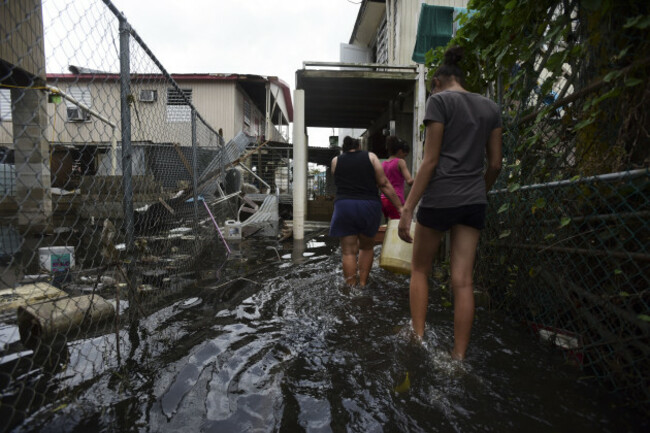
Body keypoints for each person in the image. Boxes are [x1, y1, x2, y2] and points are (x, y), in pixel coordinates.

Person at [398, 46, 503, 360]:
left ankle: (418, 337)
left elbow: (430, 162)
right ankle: (458, 358)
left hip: (440, 197)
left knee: (419, 270)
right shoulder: (491, 107)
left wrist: (407, 209)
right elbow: (496, 164)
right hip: (473, 201)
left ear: (437, 81)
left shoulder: (439, 101)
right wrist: (477, 191)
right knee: (463, 280)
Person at [329, 136, 403, 286]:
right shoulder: (371, 157)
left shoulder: (336, 161)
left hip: (344, 206)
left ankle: (351, 287)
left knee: (348, 251)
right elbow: (383, 184)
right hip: (368, 206)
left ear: (344, 148)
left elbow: (338, 180)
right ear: (359, 147)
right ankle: (362, 284)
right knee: (367, 247)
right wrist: (400, 207)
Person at [381, 136, 414, 220]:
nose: (404, 158)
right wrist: (422, 177)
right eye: (404, 155)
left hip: (384, 199)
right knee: (398, 227)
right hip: (396, 199)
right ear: (400, 151)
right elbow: (409, 181)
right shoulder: (400, 162)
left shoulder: (383, 164)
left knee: (389, 226)